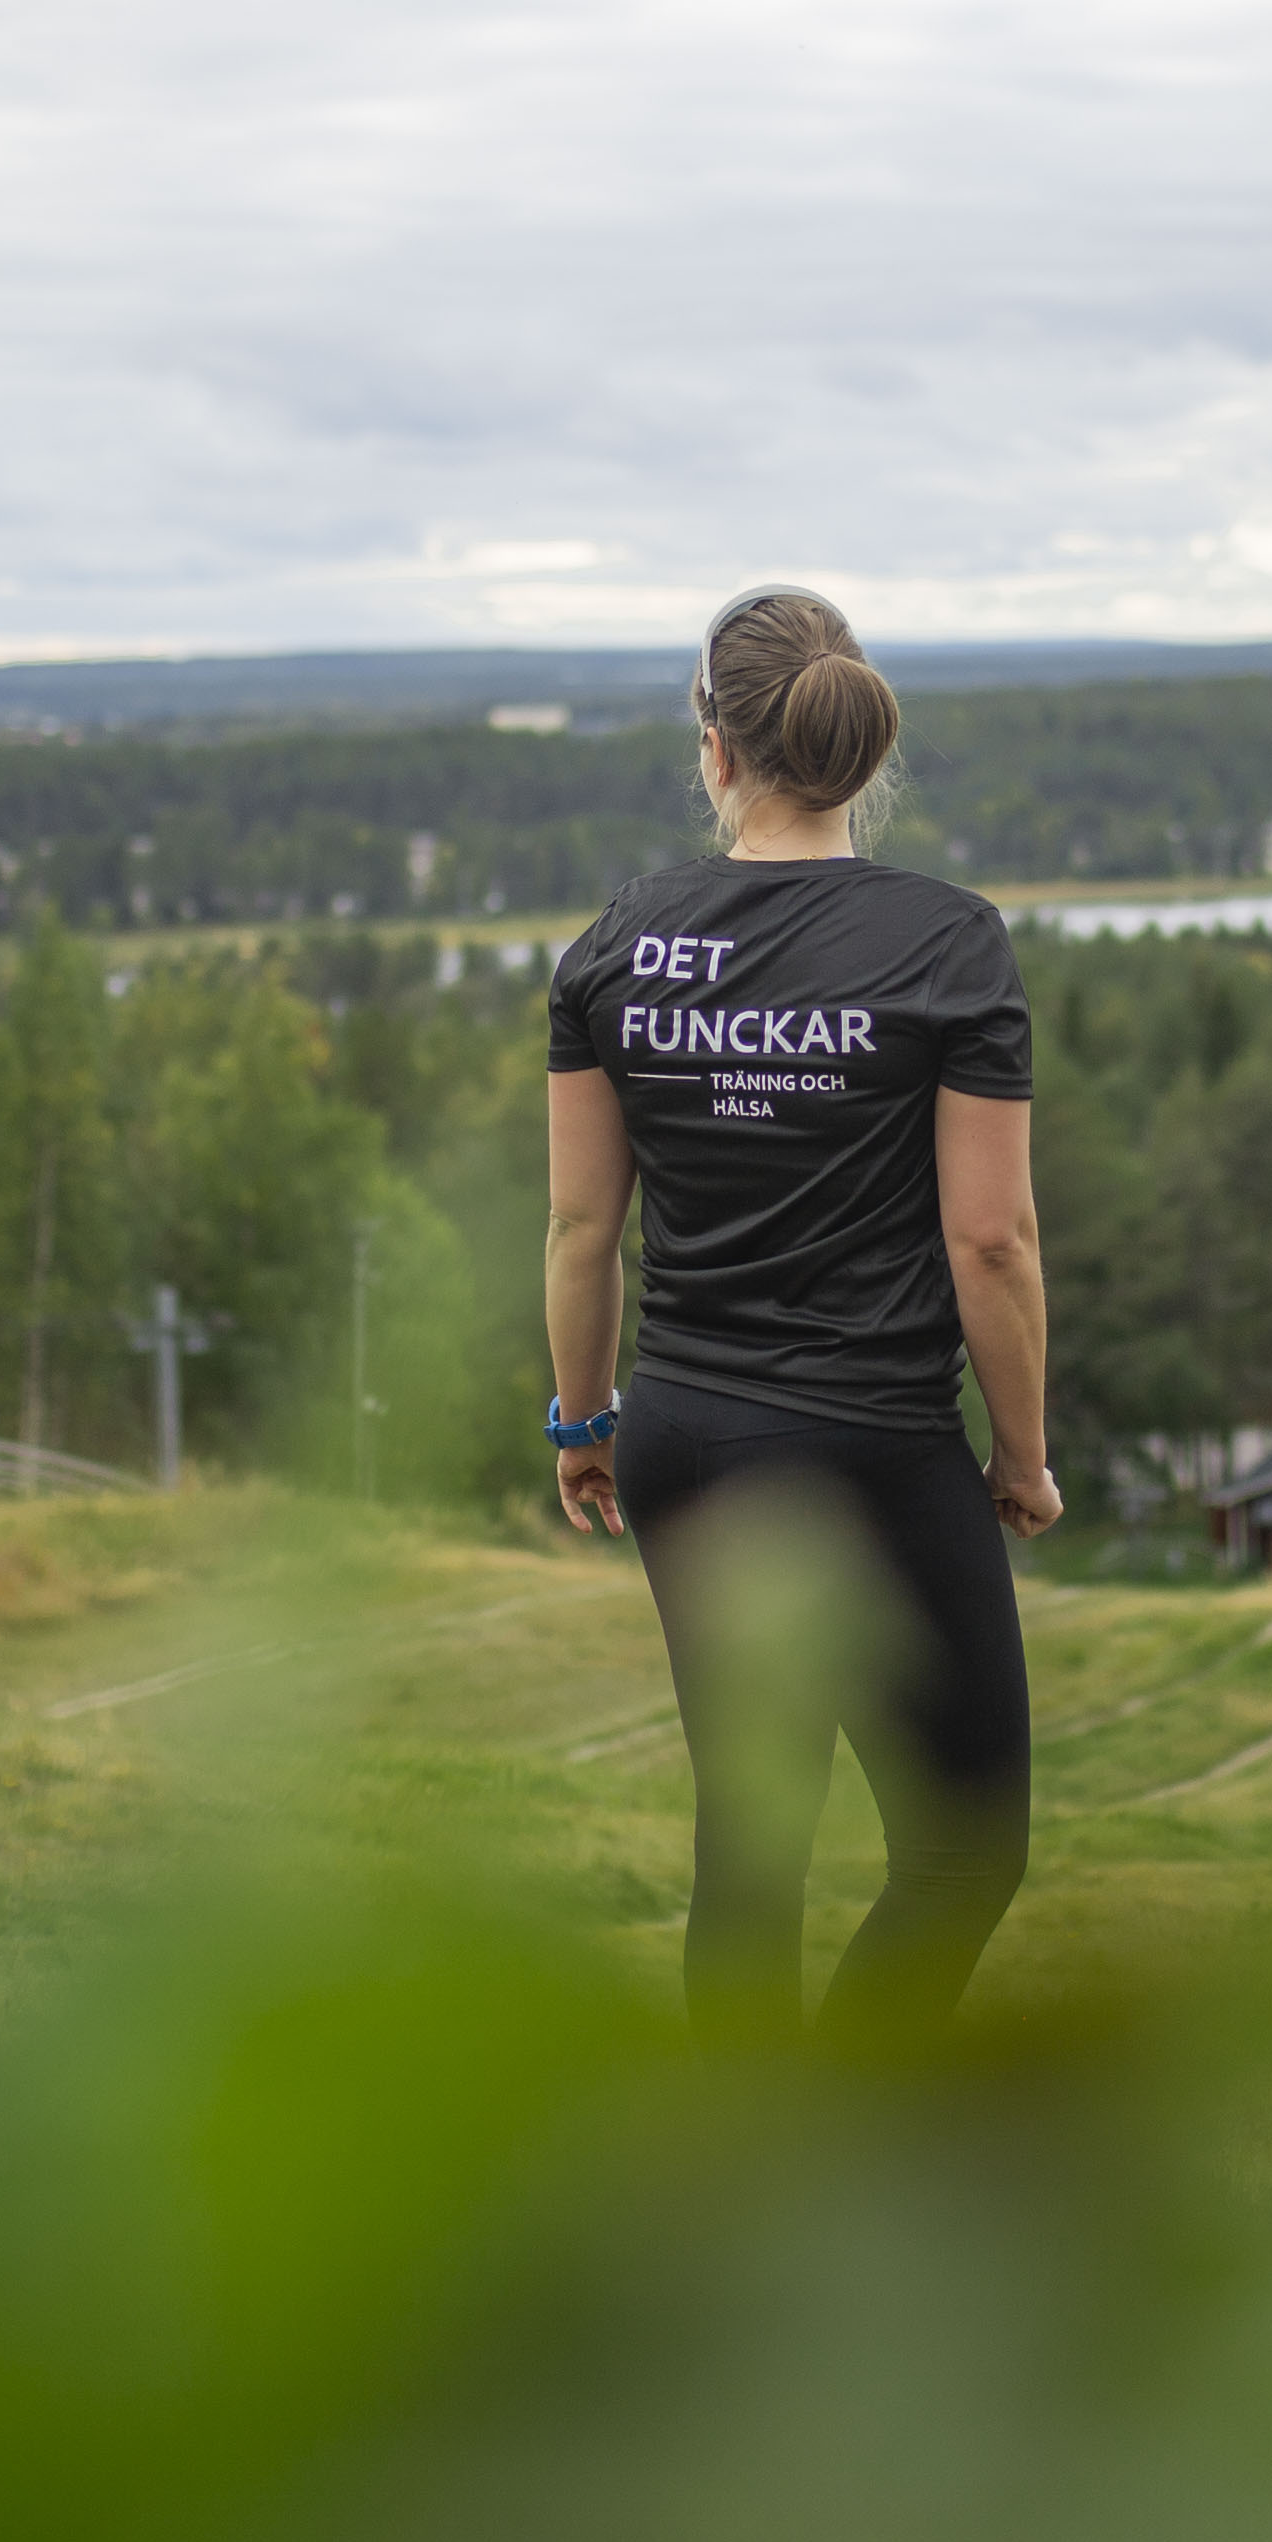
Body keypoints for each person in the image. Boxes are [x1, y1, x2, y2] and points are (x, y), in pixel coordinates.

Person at [544, 585, 1053, 2043]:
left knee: (752, 1857)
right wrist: (1018, 1453)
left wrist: (585, 1421)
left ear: (713, 745)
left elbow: (586, 1228)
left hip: (689, 1434)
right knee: (963, 1849)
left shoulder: (614, 951)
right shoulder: (947, 946)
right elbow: (994, 1240)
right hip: (876, 1442)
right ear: (856, 747)